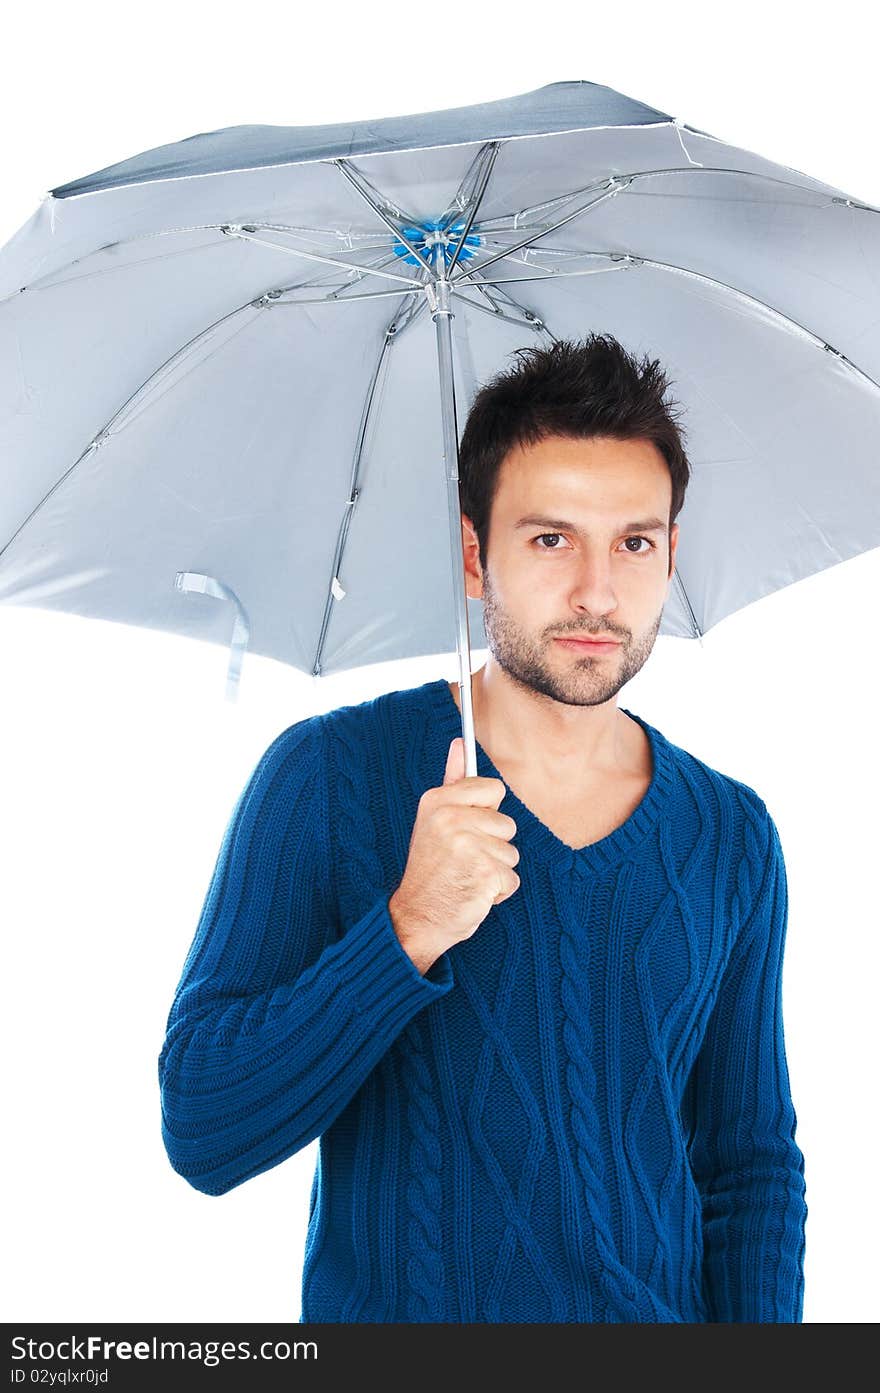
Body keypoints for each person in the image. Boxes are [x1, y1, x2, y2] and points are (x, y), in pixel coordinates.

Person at [157, 334, 807, 1324]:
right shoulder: (329, 776)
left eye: (633, 541)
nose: (596, 591)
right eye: (550, 539)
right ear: (475, 553)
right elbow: (203, 1129)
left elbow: (748, 1166)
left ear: (670, 553)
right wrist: (410, 925)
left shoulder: (729, 832)